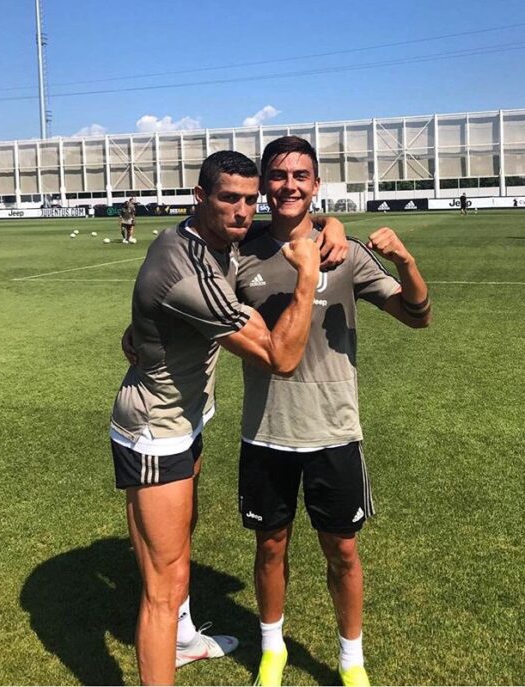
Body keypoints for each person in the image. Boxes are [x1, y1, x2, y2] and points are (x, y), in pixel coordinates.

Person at [111, 149, 348, 685]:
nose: (243, 212)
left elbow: (290, 224)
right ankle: (166, 649)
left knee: (181, 547)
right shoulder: (188, 273)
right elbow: (280, 358)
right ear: (201, 197)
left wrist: (330, 225)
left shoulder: (217, 236)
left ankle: (184, 639)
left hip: (185, 419)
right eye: (228, 199)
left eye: (250, 199)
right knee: (163, 584)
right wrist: (307, 277)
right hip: (155, 431)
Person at [234, 136, 431, 687]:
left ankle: (351, 660)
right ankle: (272, 650)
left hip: (334, 430)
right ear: (264, 185)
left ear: (316, 184)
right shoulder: (241, 253)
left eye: (300, 175)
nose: (289, 185)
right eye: (278, 175)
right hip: (266, 430)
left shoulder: (344, 253)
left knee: (342, 550)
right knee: (269, 546)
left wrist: (406, 260)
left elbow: (417, 316)